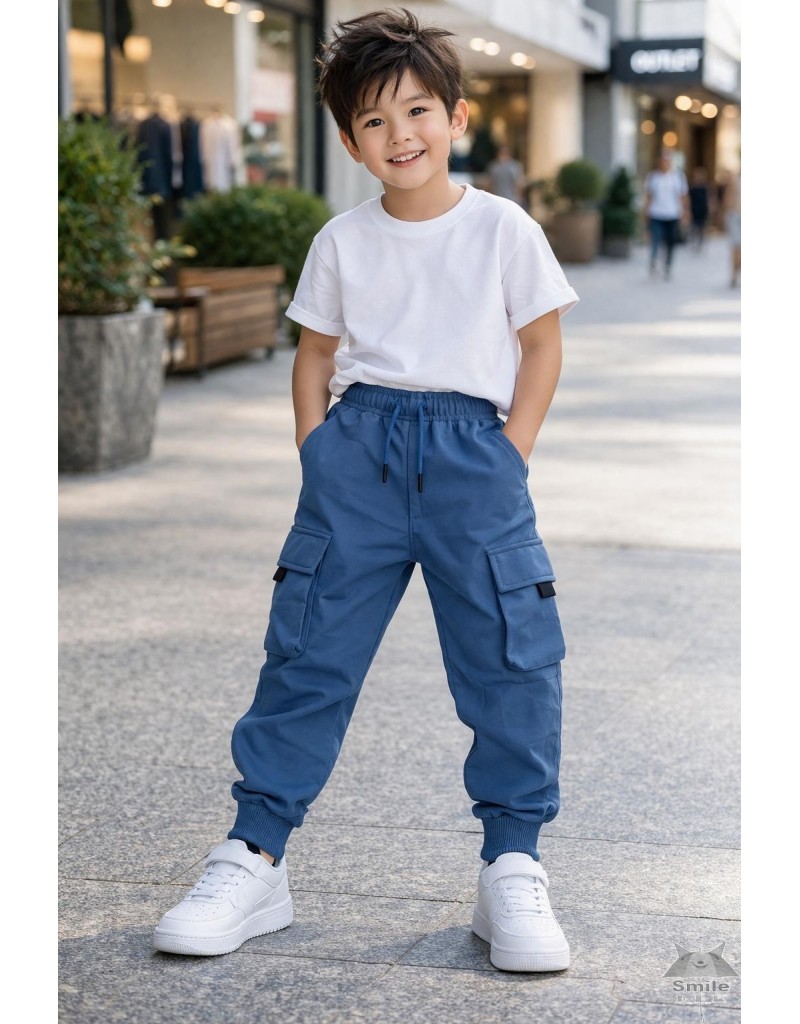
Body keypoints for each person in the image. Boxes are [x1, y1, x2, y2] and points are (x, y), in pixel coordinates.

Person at [152, 6, 579, 974]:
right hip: (359, 455)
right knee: (308, 651)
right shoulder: (342, 240)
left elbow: (541, 343)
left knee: (510, 657)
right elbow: (314, 356)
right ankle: (254, 855)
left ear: (456, 117)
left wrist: (509, 453)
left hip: (474, 455)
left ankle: (511, 862)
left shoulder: (501, 228)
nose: (400, 135)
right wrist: (321, 455)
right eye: (374, 122)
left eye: (417, 111)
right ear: (349, 142)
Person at [643, 152, 689, 279]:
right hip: (656, 214)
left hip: (672, 214)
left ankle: (668, 265)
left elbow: (682, 196)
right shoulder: (653, 177)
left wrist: (685, 213)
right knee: (656, 239)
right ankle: (653, 261)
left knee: (670, 242)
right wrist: (646, 211)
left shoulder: (677, 177)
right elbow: (649, 196)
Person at [722, 167, 741, 287]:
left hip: (735, 215)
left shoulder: (734, 179)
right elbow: (727, 198)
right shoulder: (734, 179)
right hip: (735, 215)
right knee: (736, 246)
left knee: (737, 247)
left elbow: (726, 199)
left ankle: (735, 272)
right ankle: (734, 273)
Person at [687, 166, 711, 252]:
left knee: (702, 227)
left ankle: (700, 243)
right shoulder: (692, 188)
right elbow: (688, 199)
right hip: (694, 210)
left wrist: (710, 207)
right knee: (694, 227)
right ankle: (694, 243)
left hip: (702, 210)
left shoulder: (705, 188)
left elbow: (708, 198)